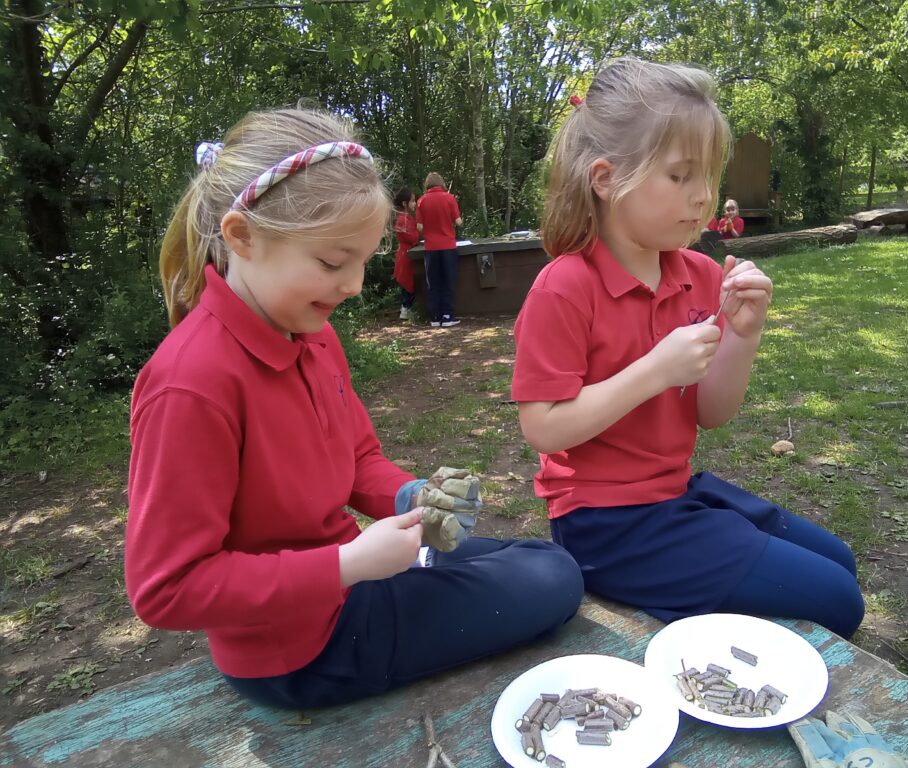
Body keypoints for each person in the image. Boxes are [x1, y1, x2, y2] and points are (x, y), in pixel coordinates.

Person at [125, 107, 583, 710]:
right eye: (332, 263)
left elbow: (357, 455)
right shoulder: (191, 384)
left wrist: (411, 497)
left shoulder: (310, 332)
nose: (355, 285)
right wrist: (345, 564)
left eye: (364, 261)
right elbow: (166, 589)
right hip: (303, 650)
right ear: (241, 237)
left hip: (348, 586)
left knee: (543, 557)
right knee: (556, 579)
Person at [512, 59, 864, 639]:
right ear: (605, 179)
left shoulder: (698, 274)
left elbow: (711, 413)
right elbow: (544, 429)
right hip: (605, 524)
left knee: (841, 563)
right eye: (680, 176)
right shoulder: (565, 287)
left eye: (709, 176)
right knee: (838, 600)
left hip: (676, 495)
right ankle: (683, 635)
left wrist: (744, 334)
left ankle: (694, 601)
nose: (704, 197)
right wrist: (654, 371)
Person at [416, 172, 463, 327]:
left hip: (431, 247)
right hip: (448, 246)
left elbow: (419, 227)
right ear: (441, 183)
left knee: (433, 282)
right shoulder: (449, 198)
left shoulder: (421, 201)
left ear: (427, 185)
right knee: (448, 281)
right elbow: (458, 222)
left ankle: (435, 317)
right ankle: (447, 315)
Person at [392, 186, 419, 320]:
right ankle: (405, 309)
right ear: (405, 203)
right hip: (405, 255)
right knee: (408, 283)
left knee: (410, 283)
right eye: (413, 201)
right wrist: (419, 231)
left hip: (407, 254)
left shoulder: (406, 218)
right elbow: (411, 237)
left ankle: (408, 308)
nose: (415, 204)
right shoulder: (403, 220)